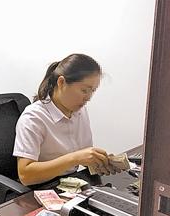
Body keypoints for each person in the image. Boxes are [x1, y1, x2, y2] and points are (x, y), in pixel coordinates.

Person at [13, 53, 114, 186]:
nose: (88, 97)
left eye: (92, 91)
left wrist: (99, 161)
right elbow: (26, 175)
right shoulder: (33, 118)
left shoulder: (80, 111)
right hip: (40, 187)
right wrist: (75, 158)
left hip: (70, 182)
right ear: (61, 82)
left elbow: (84, 154)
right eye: (84, 90)